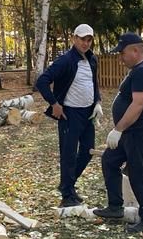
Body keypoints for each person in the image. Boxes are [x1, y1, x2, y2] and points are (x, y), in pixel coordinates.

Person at [93, 33, 143, 233]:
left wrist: (118, 129)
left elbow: (138, 105)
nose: (120, 57)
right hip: (130, 131)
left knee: (139, 173)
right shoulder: (138, 70)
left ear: (135, 50)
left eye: (122, 53)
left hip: (139, 130)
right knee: (109, 160)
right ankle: (115, 207)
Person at [35, 23, 102, 206]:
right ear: (74, 39)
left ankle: (68, 185)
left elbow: (93, 83)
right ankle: (67, 196)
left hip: (87, 114)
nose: (85, 43)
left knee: (88, 151)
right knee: (69, 154)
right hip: (70, 114)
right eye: (82, 39)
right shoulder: (65, 60)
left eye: (89, 40)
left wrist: (97, 101)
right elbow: (42, 81)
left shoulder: (92, 60)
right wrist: (54, 104)